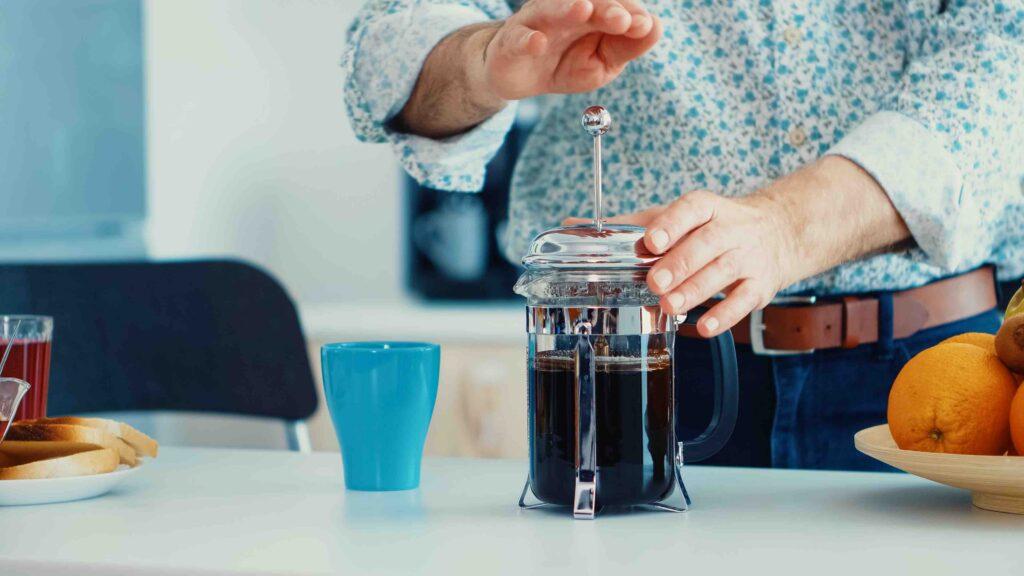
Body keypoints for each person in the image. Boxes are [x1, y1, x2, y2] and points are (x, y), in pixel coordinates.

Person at [343, 0, 1024, 470]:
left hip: (940, 376)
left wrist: (786, 227)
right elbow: (390, 42)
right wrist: (480, 60)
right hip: (639, 367)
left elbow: (1007, 60)